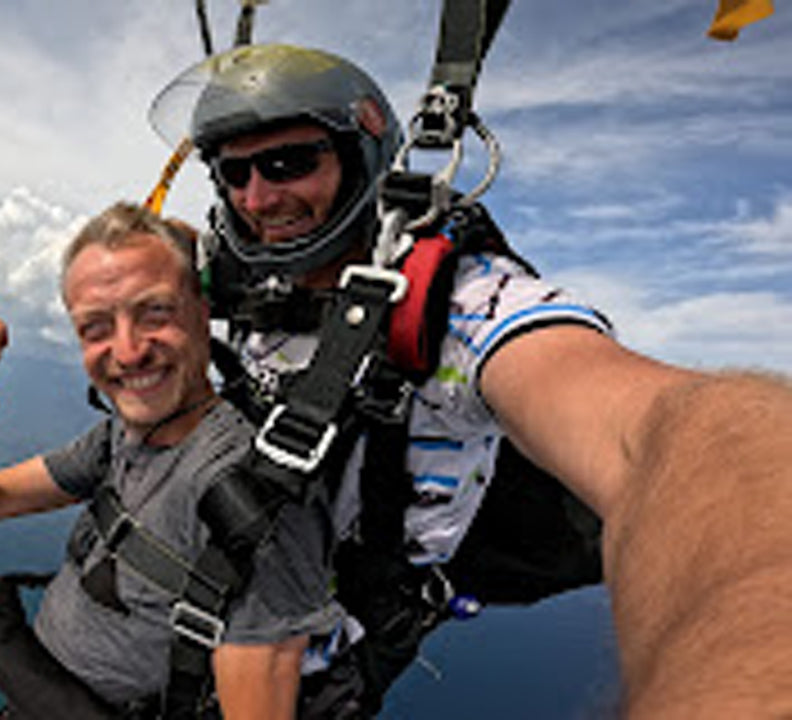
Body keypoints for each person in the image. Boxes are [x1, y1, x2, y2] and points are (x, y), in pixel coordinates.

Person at [147, 42, 792, 718]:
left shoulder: (464, 306)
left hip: (289, 674)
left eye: (289, 162)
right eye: (234, 173)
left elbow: (669, 435)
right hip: (171, 620)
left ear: (361, 154)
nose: (258, 197)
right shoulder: (253, 280)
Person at [0, 201, 344, 718]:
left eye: (155, 312)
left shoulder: (245, 497)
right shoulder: (121, 439)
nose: (129, 350)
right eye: (96, 328)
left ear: (203, 314)